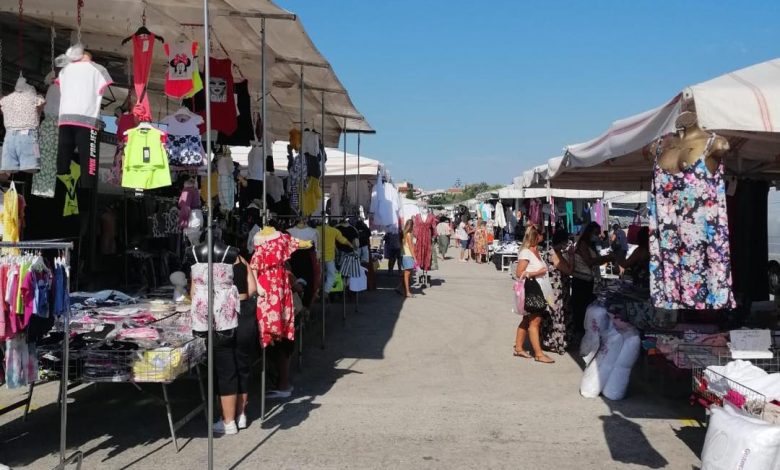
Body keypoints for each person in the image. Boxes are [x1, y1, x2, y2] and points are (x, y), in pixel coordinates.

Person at [513, 224, 555, 364]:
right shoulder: (526, 252)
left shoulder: (536, 250)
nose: (544, 236)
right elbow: (519, 273)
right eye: (542, 234)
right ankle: (538, 354)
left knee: (527, 319)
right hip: (532, 289)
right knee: (535, 321)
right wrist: (538, 272)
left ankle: (519, 348)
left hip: (539, 288)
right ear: (536, 236)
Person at [570, 222, 614, 340]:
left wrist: (606, 259)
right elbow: (589, 261)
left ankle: (585, 331)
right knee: (581, 307)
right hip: (581, 280)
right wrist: (606, 258)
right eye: (596, 233)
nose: (598, 235)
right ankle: (579, 332)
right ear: (589, 232)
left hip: (589, 280)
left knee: (587, 305)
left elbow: (595, 261)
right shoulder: (583, 244)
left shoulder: (592, 245)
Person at [233, 253, 258, 430]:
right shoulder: (241, 260)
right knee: (242, 366)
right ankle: (241, 413)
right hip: (244, 314)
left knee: (225, 369)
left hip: (223, 318)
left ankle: (226, 416)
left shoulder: (208, 261)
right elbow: (253, 289)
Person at [542, 230, 573, 355]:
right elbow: (569, 270)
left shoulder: (552, 252)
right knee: (558, 316)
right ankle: (557, 342)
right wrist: (571, 256)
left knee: (554, 315)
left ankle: (551, 341)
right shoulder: (555, 254)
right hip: (557, 291)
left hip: (555, 289)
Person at [397, 219, 416, 298]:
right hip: (408, 255)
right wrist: (415, 258)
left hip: (405, 255)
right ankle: (407, 292)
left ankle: (400, 288)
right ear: (411, 226)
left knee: (407, 274)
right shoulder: (408, 234)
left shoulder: (404, 234)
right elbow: (411, 247)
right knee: (407, 274)